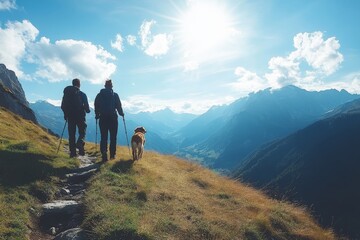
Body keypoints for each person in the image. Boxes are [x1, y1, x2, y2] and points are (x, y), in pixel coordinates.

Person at [94, 79, 124, 162]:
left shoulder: (99, 95)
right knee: (113, 137)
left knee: (104, 137)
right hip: (113, 118)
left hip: (103, 118)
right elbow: (118, 106)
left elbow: (96, 105)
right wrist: (122, 114)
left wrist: (97, 115)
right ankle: (112, 155)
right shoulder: (115, 95)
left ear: (105, 86)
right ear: (111, 86)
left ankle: (104, 152)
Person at [61, 78, 90, 157]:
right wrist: (87, 110)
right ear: (79, 84)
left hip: (70, 116)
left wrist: (65, 114)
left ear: (72, 83)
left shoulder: (67, 93)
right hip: (80, 116)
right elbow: (87, 108)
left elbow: (63, 105)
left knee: (71, 134)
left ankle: (72, 153)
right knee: (82, 131)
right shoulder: (82, 94)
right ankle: (80, 145)